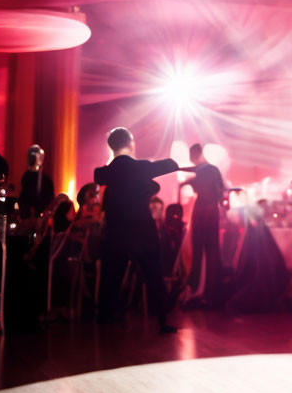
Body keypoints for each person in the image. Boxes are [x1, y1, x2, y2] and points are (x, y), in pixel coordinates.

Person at [93, 127, 178, 333]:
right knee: (153, 275)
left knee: (110, 276)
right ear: (131, 143)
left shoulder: (103, 173)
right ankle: (162, 321)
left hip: (116, 232)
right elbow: (170, 165)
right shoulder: (141, 167)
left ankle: (104, 319)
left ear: (111, 147)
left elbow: (100, 177)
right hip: (142, 231)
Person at [179, 143, 225, 307]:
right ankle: (211, 293)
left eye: (191, 156)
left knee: (199, 252)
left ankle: (198, 292)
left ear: (195, 154)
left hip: (202, 214)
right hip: (212, 213)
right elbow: (222, 191)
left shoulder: (203, 171)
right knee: (212, 253)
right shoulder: (212, 170)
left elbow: (195, 173)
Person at [19, 144, 55, 219]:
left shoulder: (46, 179)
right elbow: (24, 194)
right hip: (28, 215)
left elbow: (49, 198)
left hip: (40, 215)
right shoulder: (27, 176)